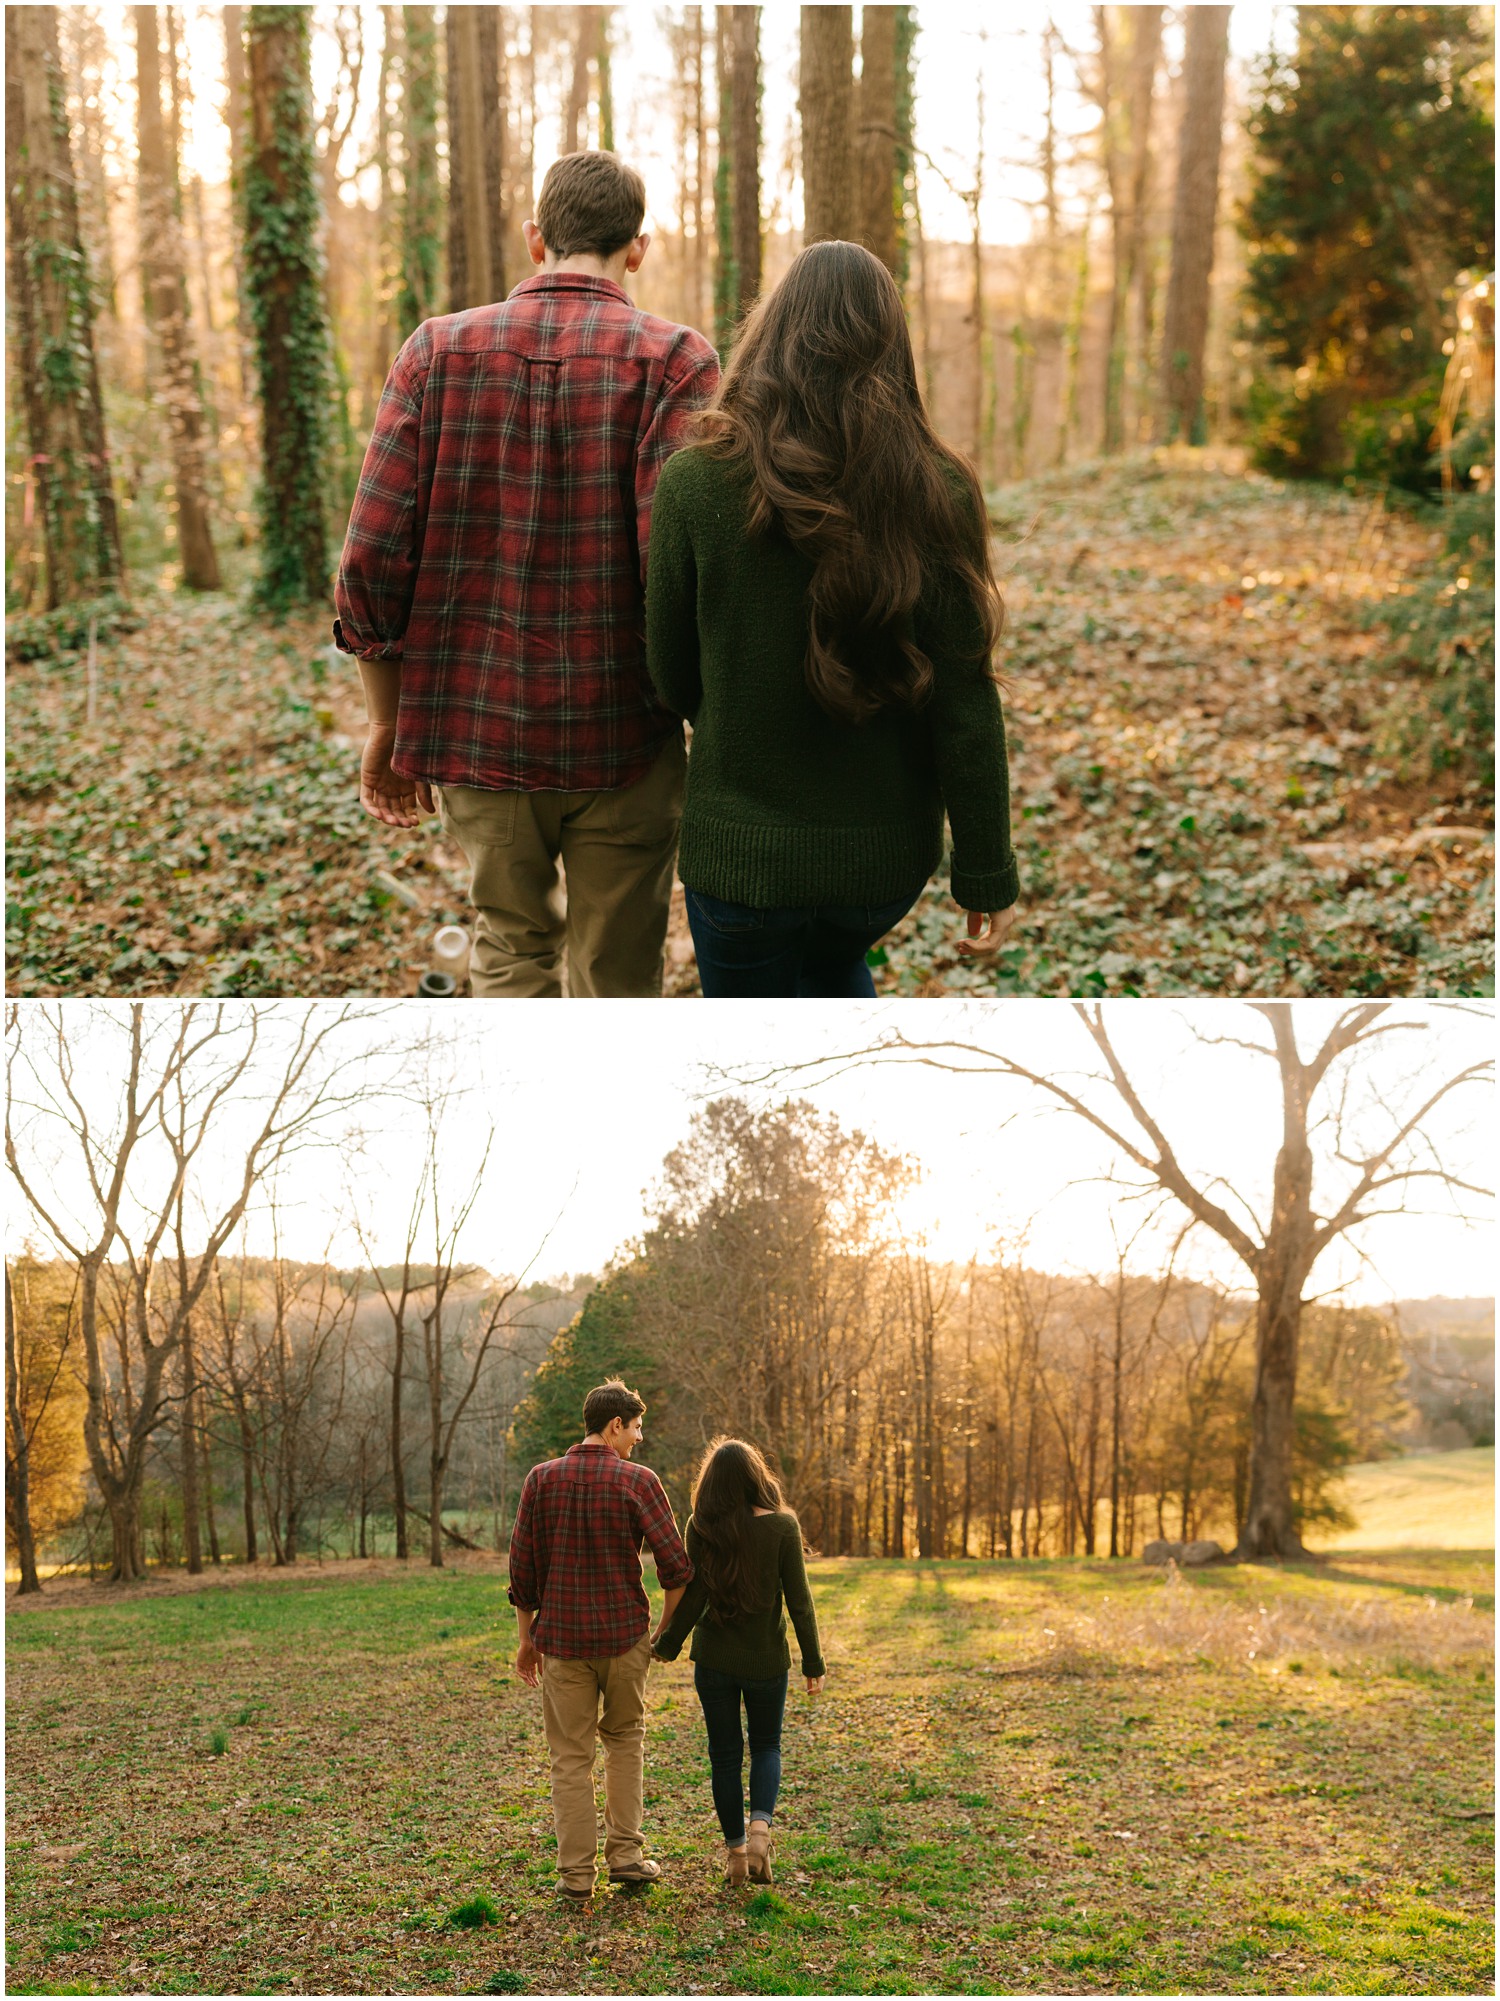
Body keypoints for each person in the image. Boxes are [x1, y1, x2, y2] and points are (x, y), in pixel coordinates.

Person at [334, 151, 720, 998]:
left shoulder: (435, 351)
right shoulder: (676, 361)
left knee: (509, 954)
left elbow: (369, 556)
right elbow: (683, 572)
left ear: (536, 237)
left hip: (477, 733)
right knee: (616, 978)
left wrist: (385, 720)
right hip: (625, 732)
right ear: (638, 248)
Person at [644, 238, 1021, 999]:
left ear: (773, 332)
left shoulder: (694, 482)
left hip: (742, 863)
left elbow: (671, 677)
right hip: (878, 871)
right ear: (890, 346)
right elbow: (966, 700)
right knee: (836, 974)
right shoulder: (938, 484)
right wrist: (985, 869)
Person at [506, 1380, 694, 1902]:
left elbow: (523, 1571)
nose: (638, 1438)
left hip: (562, 1642)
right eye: (635, 1428)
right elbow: (677, 1570)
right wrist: (662, 1632)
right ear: (615, 1425)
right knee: (625, 1741)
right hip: (624, 1638)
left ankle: (575, 1878)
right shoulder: (639, 1481)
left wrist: (527, 1640)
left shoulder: (540, 1480)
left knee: (569, 1758)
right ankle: (627, 1858)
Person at [652, 1438, 825, 1887]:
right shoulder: (783, 1526)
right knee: (767, 1746)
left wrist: (666, 1645)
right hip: (768, 1660)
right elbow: (800, 1602)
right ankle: (761, 1833)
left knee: (725, 1758)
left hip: (714, 1662)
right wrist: (813, 1662)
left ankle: (734, 1854)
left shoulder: (702, 1525)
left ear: (711, 1483)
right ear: (756, 1477)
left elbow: (695, 1596)